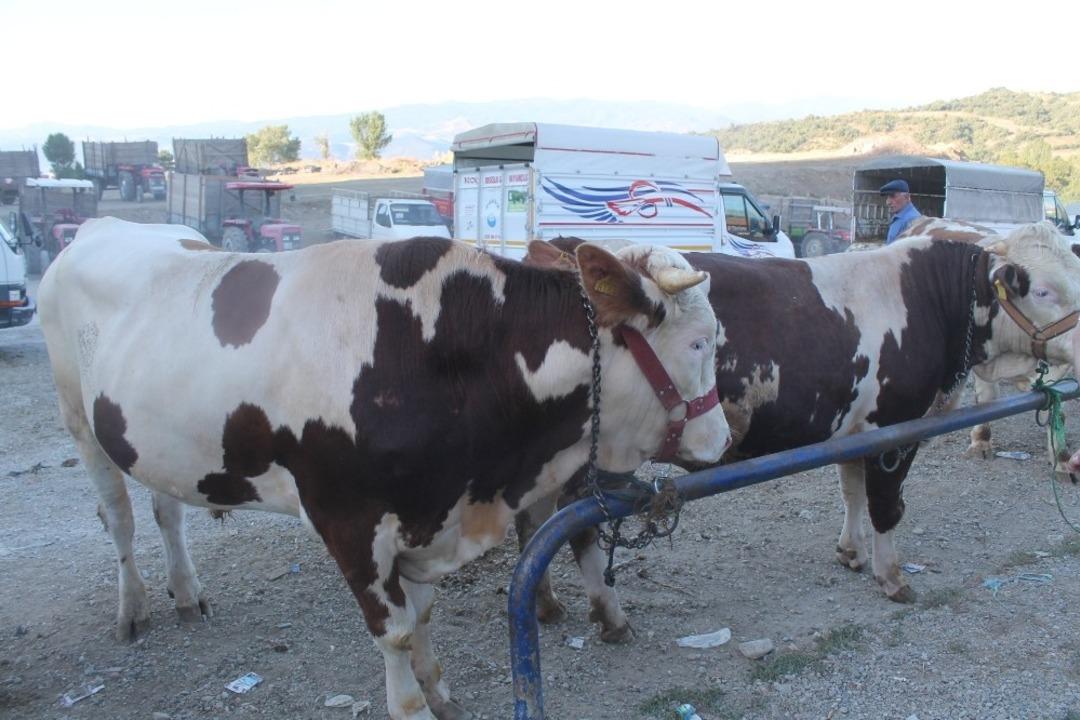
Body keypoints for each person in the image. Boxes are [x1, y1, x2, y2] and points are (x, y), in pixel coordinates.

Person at [880, 179, 921, 244]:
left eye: (892, 196)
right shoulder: (901, 217)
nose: (888, 202)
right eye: (887, 197)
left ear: (907, 197)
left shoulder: (912, 220)